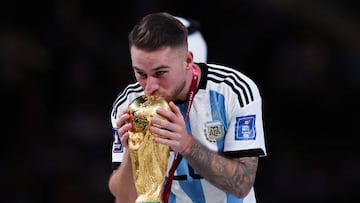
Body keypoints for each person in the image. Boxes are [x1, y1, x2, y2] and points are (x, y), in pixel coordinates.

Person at [108, 12, 267, 203]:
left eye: (160, 73)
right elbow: (124, 198)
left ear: (188, 60)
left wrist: (187, 145)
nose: (150, 87)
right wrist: (131, 155)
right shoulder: (129, 102)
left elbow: (242, 185)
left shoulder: (233, 90)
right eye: (141, 73)